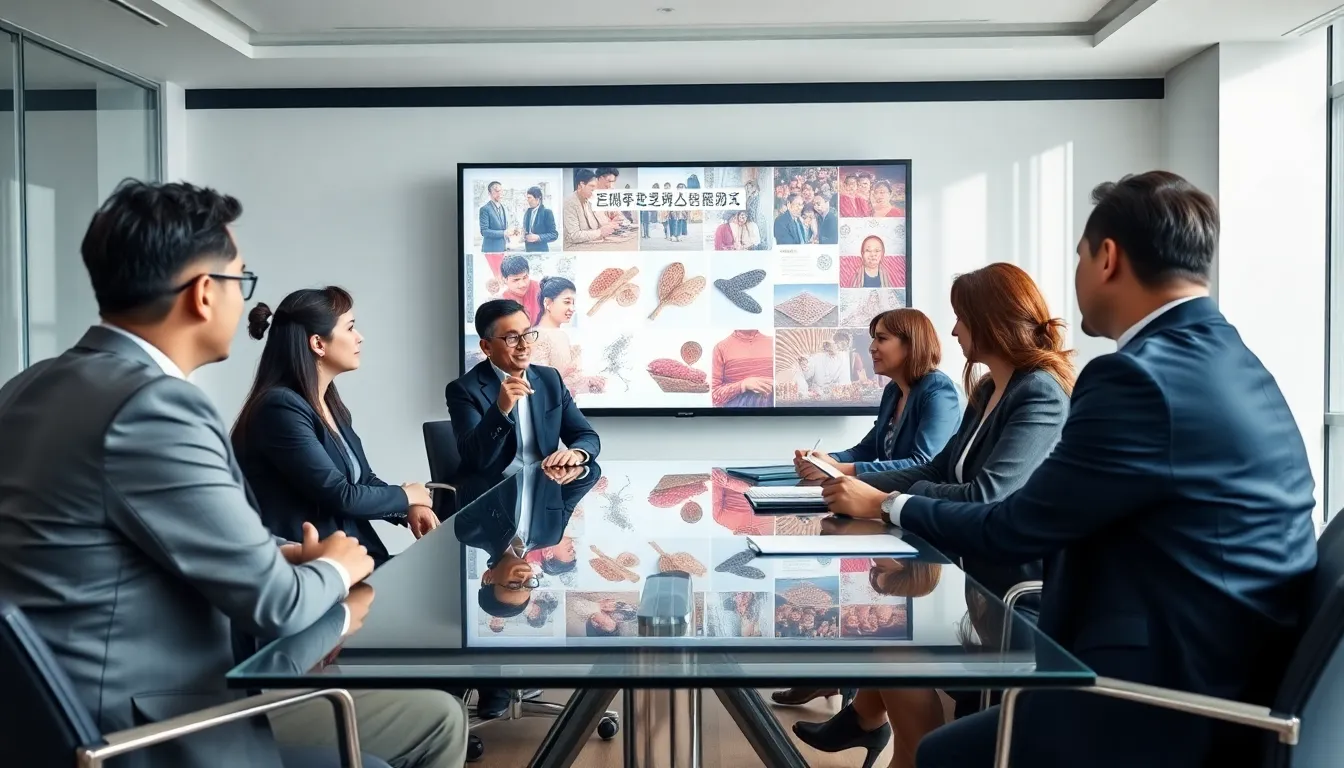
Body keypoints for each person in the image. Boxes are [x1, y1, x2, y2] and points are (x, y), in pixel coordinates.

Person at [823, 171, 1318, 768]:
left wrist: (887, 504)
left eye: (1079, 256)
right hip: (1235, 673)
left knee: (942, 753)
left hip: (1167, 696)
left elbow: (1014, 526)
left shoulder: (1136, 378)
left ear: (1107, 258)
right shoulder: (1235, 360)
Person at [0, 180, 466, 768]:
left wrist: (280, 552)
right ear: (203, 293)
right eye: (240, 281)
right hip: (160, 729)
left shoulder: (26, 386)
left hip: (52, 727)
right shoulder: (156, 405)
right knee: (437, 720)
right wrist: (338, 572)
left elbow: (127, 545)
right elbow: (277, 606)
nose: (244, 303)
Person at [791, 264, 1075, 768]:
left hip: (1018, 602)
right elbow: (938, 468)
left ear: (991, 322)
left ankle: (880, 732)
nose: (954, 329)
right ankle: (876, 731)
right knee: (888, 647)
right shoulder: (988, 390)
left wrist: (881, 502)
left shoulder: (1040, 393)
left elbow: (987, 495)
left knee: (894, 647)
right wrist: (853, 486)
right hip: (972, 580)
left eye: (962, 316)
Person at [232, 287, 440, 569]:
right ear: (318, 343)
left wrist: (408, 508)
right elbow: (341, 495)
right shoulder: (279, 408)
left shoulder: (328, 402)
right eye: (350, 328)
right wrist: (406, 495)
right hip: (310, 567)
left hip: (352, 559)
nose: (359, 337)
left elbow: (363, 480)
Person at [794, 309, 961, 480]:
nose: (872, 347)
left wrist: (839, 469)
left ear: (911, 345)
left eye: (881, 339)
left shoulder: (938, 390)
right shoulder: (893, 390)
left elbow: (922, 464)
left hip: (923, 495)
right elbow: (865, 450)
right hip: (894, 492)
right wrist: (824, 460)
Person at [446, 298, 601, 480]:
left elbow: (586, 435)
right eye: (512, 338)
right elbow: (475, 459)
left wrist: (577, 453)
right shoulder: (463, 390)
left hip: (544, 485)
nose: (524, 345)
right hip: (493, 492)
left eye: (527, 334)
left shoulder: (550, 379)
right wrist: (500, 410)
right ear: (486, 347)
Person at [563, 168, 617, 248]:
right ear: (581, 185)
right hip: (574, 248)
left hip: (592, 245)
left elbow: (599, 223)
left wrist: (610, 224)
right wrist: (600, 232)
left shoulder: (590, 198)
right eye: (591, 186)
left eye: (595, 186)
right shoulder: (569, 203)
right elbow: (573, 236)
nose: (594, 190)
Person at [496, 254, 541, 322]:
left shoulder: (540, 288)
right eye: (516, 280)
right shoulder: (501, 301)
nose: (523, 284)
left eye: (525, 277)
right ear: (505, 280)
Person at [521, 185, 558, 252]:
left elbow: (554, 235)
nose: (527, 200)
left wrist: (538, 237)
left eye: (529, 198)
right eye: (527, 198)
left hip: (542, 253)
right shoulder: (527, 213)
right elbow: (525, 230)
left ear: (537, 199)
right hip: (528, 251)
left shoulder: (547, 212)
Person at [478, 180, 509, 253]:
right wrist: (503, 233)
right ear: (489, 193)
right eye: (496, 191)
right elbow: (484, 231)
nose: (500, 193)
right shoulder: (484, 209)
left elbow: (504, 228)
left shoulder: (504, 208)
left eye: (501, 191)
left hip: (503, 249)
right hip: (491, 250)